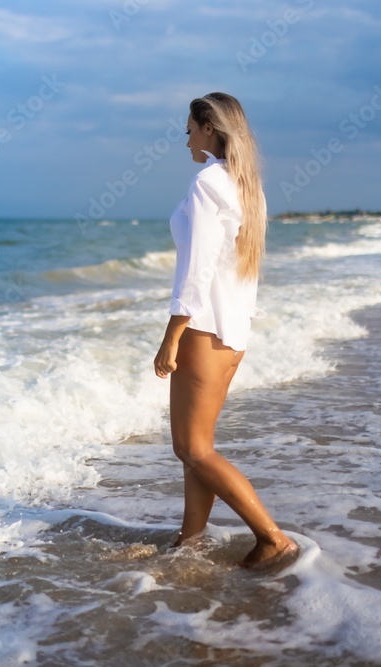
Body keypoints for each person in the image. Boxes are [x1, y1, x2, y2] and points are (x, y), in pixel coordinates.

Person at [153, 92, 298, 569]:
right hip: (232, 332)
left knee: (190, 447)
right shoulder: (245, 187)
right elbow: (240, 271)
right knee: (198, 450)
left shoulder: (206, 183)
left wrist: (172, 334)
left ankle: (272, 537)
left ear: (210, 129)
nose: (186, 139)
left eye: (189, 129)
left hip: (204, 329)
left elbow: (196, 270)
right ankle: (189, 543)